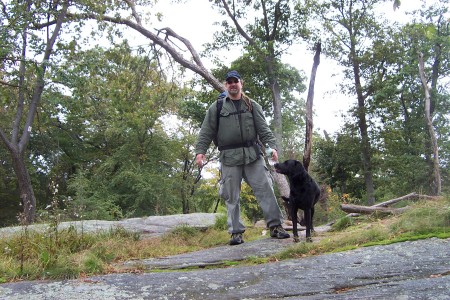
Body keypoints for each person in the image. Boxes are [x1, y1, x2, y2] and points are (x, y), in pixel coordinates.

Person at [195, 70, 290, 245]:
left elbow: (264, 130)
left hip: (253, 156)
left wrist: (271, 147)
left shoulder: (252, 105)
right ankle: (236, 233)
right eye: (229, 81)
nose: (232, 84)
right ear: (226, 85)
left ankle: (276, 226)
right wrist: (200, 151)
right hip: (229, 158)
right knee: (232, 196)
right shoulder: (216, 107)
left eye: (235, 81)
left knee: (265, 189)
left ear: (241, 83)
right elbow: (206, 131)